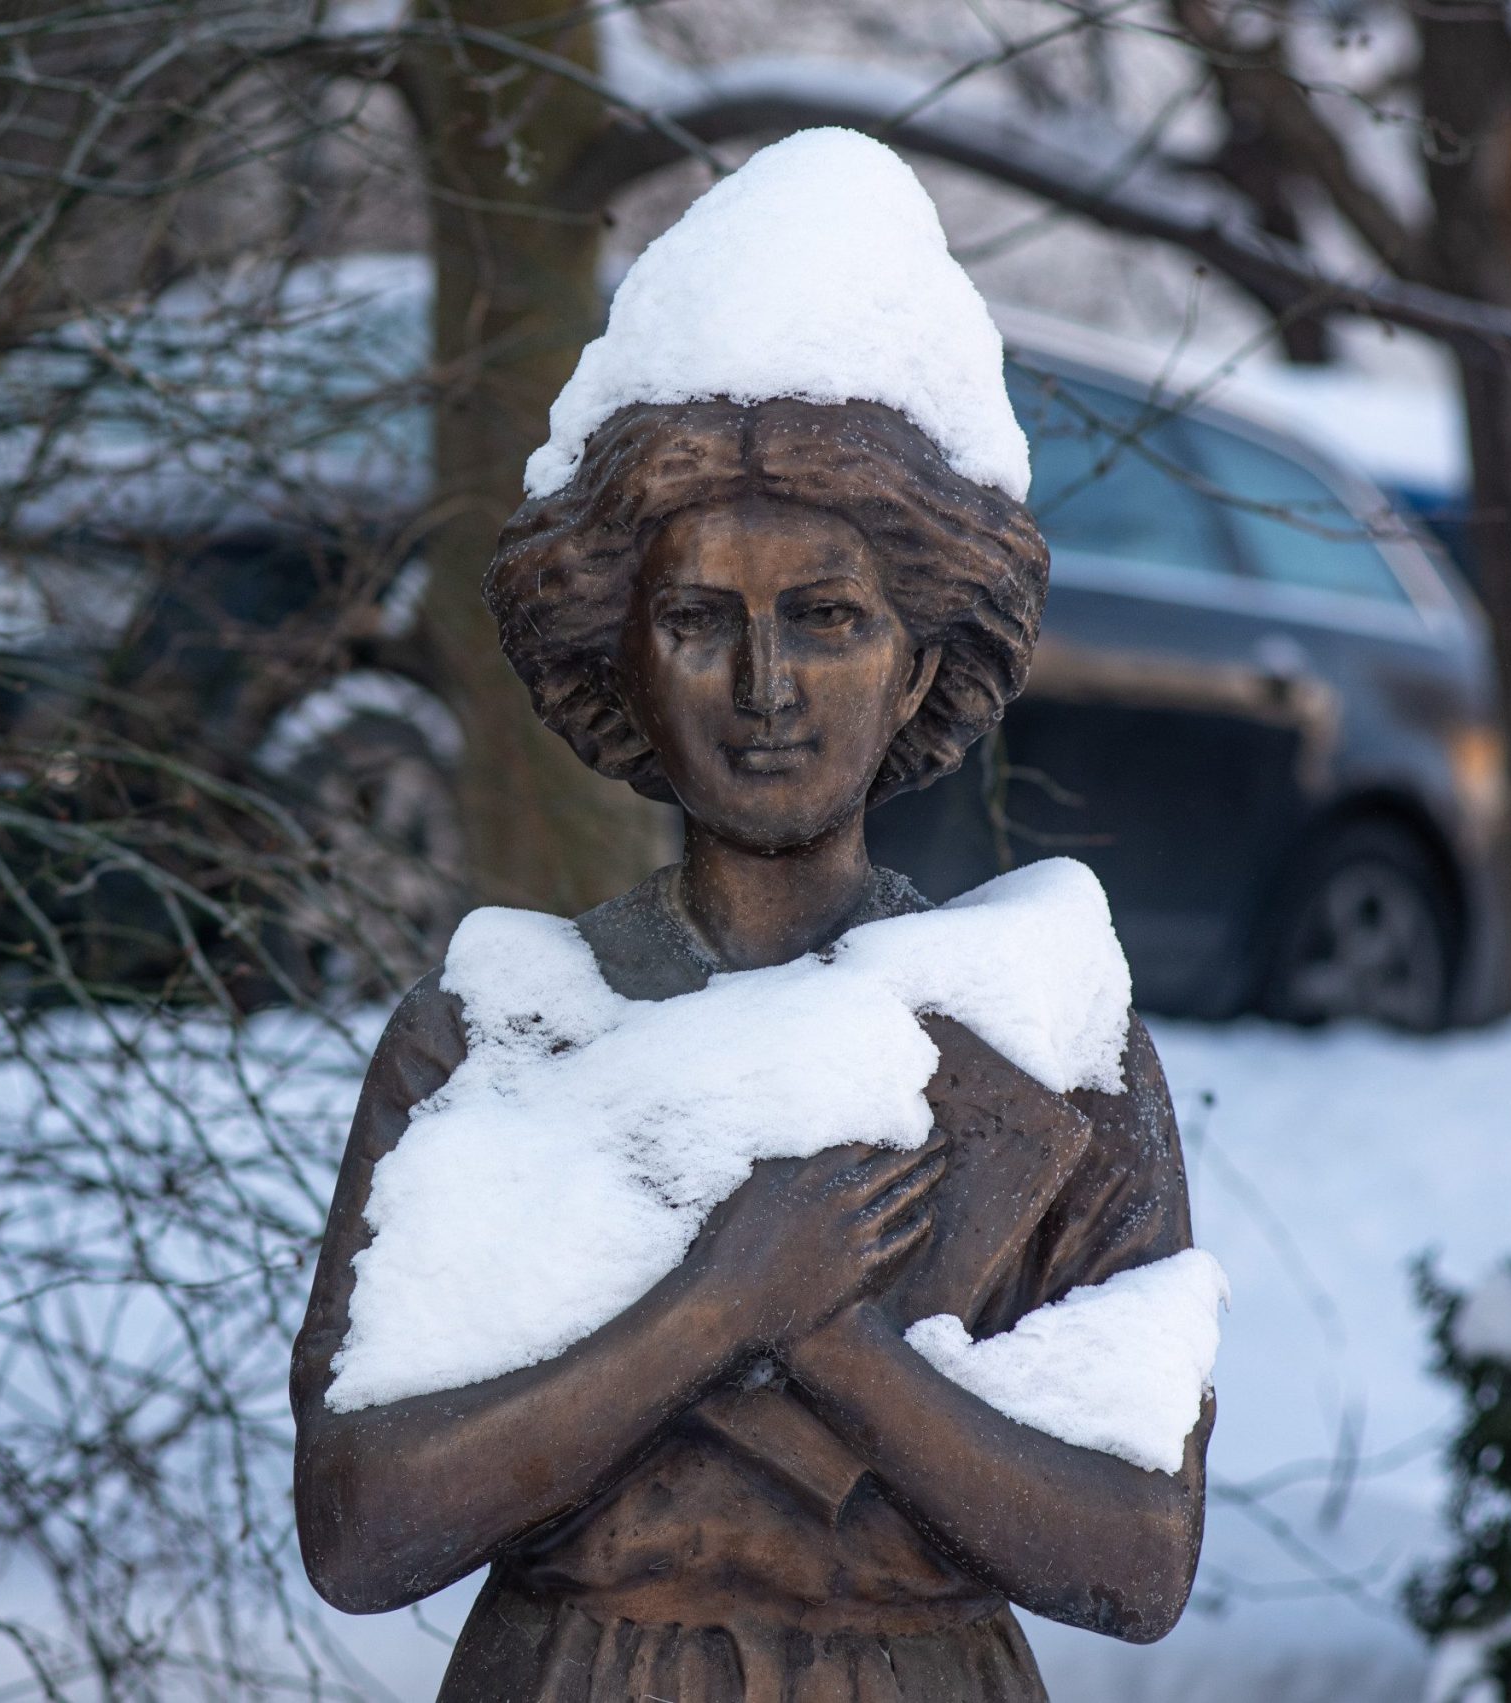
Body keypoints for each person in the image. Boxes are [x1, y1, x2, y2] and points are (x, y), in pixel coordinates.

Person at [290, 395, 1211, 1703]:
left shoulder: (1049, 1048)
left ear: (916, 668)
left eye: (828, 619)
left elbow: (1138, 1559)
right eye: (697, 621)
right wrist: (719, 1305)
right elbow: (360, 1528)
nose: (765, 685)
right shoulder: (493, 1041)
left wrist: (831, 1341)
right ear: (620, 661)